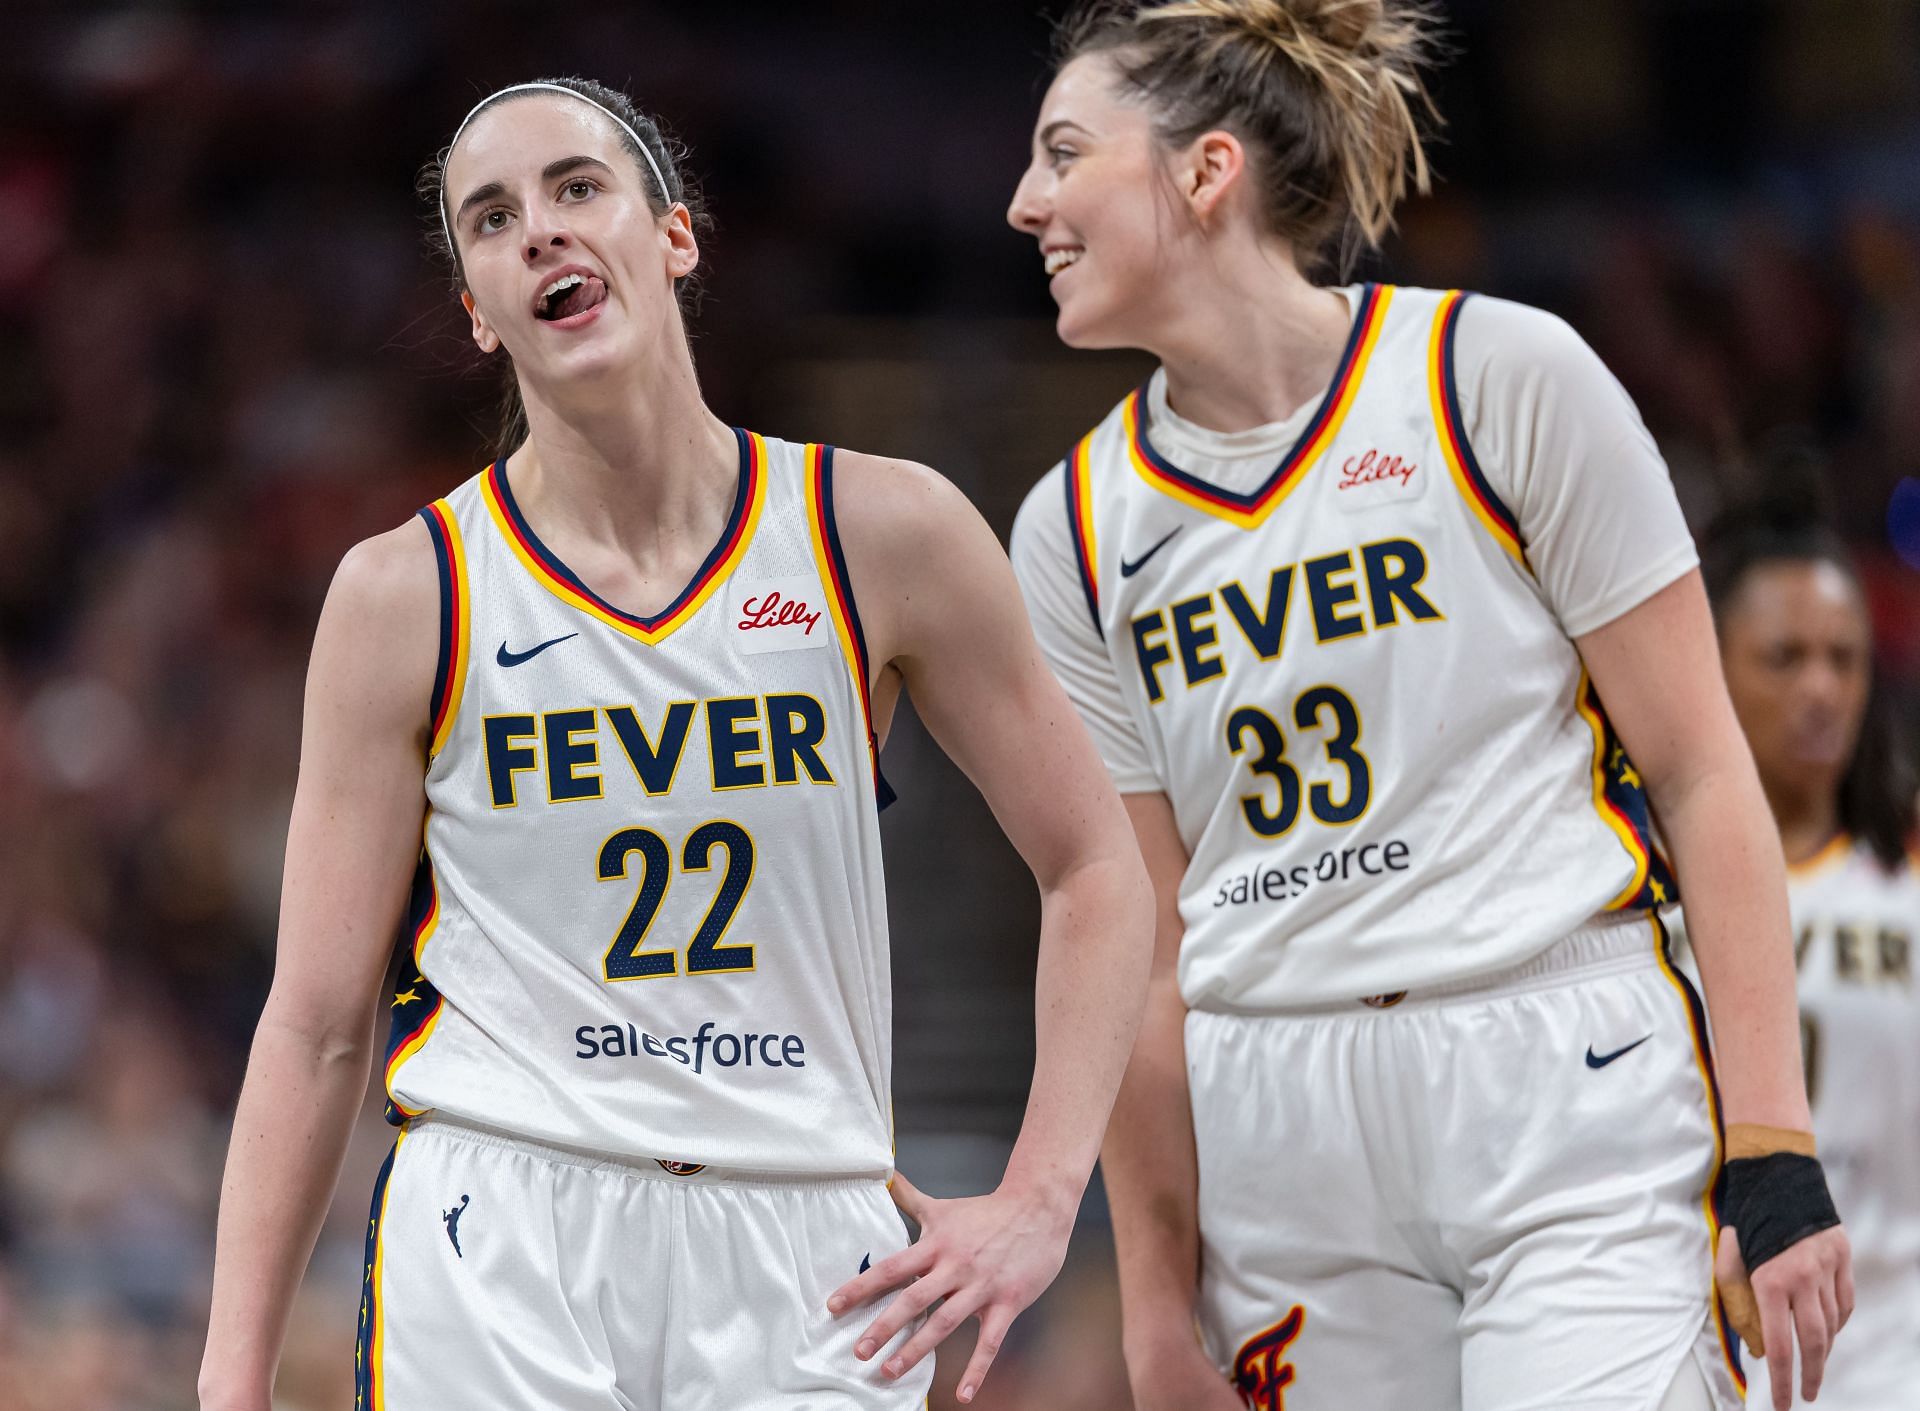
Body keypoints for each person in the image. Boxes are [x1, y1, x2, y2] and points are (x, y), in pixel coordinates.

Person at [198, 76, 1152, 1411]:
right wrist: (230, 1373)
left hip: (807, 1232)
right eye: (491, 217)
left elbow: (1099, 867)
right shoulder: (406, 591)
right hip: (506, 1211)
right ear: (477, 311)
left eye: (578, 188)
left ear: (676, 236)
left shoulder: (880, 530)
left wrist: (1044, 1198)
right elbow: (312, 1023)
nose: (539, 228)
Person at [1003, 3, 1852, 1409]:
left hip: (1557, 1061)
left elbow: (1705, 770)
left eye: (1063, 153)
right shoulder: (1070, 531)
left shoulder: (1497, 377)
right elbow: (1140, 954)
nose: (1025, 202)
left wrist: (1771, 1142)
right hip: (1278, 1114)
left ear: (1205, 173)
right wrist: (1156, 1312)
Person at [1676, 485, 1918, 1409]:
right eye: (1785, 658)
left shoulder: (1909, 861)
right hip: (1709, 1349)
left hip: (1897, 1348)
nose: (1821, 688)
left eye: (1843, 659)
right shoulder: (1643, 880)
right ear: (1713, 669)